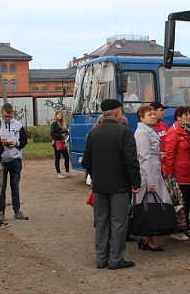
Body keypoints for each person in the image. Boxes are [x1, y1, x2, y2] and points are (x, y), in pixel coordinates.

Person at [82, 99, 141, 270]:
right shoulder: (124, 132)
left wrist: (96, 175)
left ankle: (101, 259)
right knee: (118, 222)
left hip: (99, 186)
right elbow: (131, 161)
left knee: (101, 222)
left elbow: (87, 161)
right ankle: (116, 259)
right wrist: (136, 182)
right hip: (120, 186)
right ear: (116, 113)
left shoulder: (93, 133)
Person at [133, 105, 171, 252]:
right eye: (150, 114)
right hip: (149, 174)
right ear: (142, 118)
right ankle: (147, 237)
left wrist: (158, 155)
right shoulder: (142, 133)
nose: (153, 116)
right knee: (149, 205)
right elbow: (143, 158)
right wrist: (149, 182)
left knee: (152, 204)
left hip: (153, 170)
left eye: (153, 114)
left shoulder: (147, 130)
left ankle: (146, 236)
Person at [162, 106, 190, 241]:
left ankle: (186, 226)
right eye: (185, 114)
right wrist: (170, 175)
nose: (188, 116)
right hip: (179, 174)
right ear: (178, 117)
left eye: (189, 114)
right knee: (179, 203)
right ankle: (176, 229)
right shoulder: (174, 132)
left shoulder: (188, 130)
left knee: (187, 201)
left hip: (189, 172)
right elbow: (169, 154)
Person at [0, 103, 29, 221]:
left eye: (9, 117)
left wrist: (17, 143)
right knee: (2, 187)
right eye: (5, 116)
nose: (7, 119)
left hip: (15, 159)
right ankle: (1, 212)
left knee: (15, 186)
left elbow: (24, 140)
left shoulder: (18, 125)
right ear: (2, 113)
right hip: (2, 160)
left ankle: (17, 210)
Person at [50, 110, 72, 179]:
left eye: (61, 114)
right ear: (56, 115)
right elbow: (52, 133)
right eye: (59, 114)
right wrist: (61, 135)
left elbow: (65, 131)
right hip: (56, 142)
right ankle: (58, 173)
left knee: (67, 157)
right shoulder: (53, 124)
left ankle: (67, 171)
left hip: (62, 142)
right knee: (57, 158)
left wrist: (66, 133)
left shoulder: (62, 124)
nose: (60, 116)